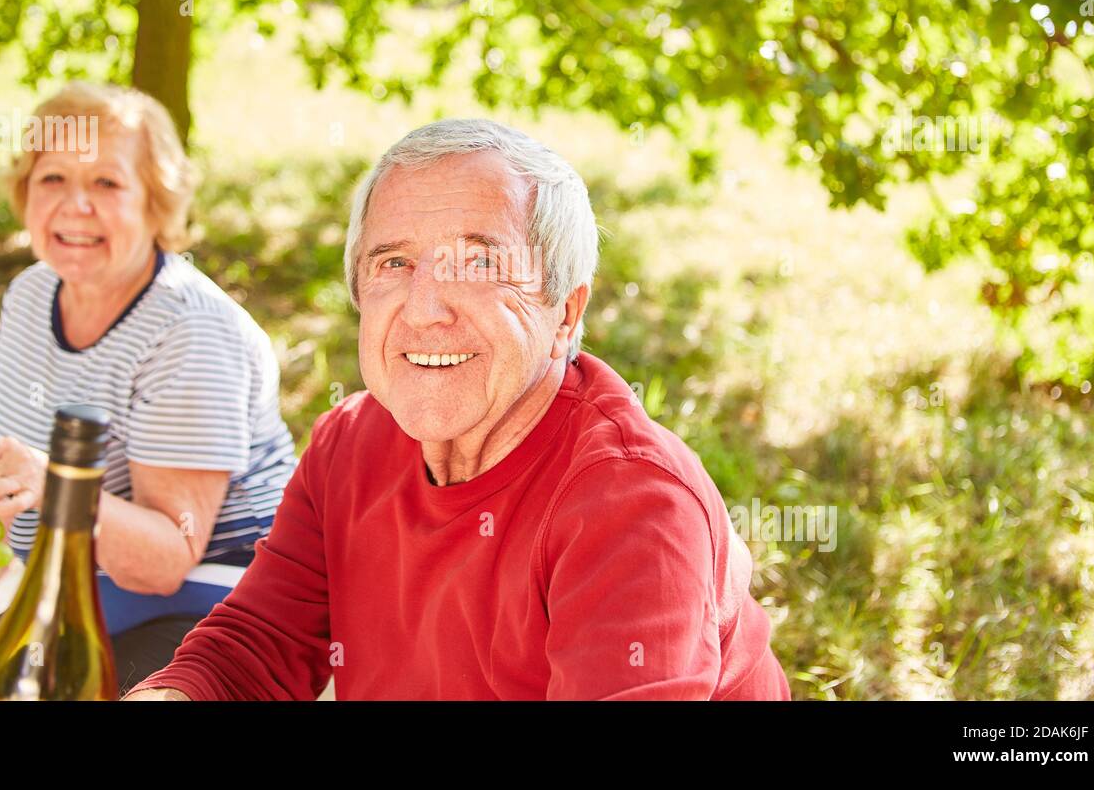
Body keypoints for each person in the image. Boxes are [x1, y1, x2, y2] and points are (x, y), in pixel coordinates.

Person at [125, 118, 790, 700]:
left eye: (478, 262)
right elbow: (258, 647)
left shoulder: (632, 504)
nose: (423, 309)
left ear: (565, 311)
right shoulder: (349, 442)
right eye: (394, 262)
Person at [0, 82, 298, 699]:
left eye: (106, 183)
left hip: (221, 594)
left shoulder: (191, 329)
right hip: (95, 584)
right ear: (25, 192)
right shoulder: (32, 295)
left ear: (157, 204)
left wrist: (56, 485)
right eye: (53, 179)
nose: (75, 206)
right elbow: (12, 485)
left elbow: (168, 557)